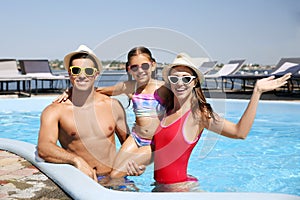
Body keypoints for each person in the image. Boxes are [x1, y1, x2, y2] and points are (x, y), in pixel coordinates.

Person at [151, 53, 291, 192]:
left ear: (195, 82)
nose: (180, 83)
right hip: (159, 187)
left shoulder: (198, 115)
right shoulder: (166, 111)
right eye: (174, 78)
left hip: (178, 190)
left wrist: (257, 92)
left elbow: (239, 132)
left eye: (186, 78)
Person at [54, 46, 170, 179]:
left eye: (145, 66)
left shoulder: (163, 88)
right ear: (129, 69)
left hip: (154, 143)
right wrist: (70, 90)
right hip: (135, 138)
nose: (140, 71)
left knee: (116, 174)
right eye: (134, 67)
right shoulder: (129, 86)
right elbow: (97, 90)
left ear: (153, 65)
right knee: (113, 169)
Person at [37, 45, 130, 187]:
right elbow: (44, 148)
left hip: (116, 180)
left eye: (88, 71)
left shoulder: (113, 106)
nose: (82, 75)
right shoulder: (55, 111)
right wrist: (76, 160)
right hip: (81, 182)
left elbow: (128, 143)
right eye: (76, 70)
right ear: (69, 73)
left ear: (96, 74)